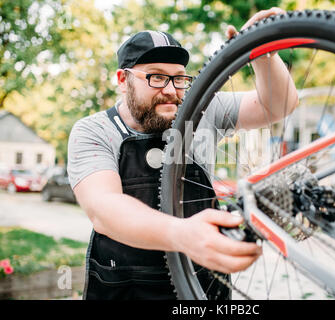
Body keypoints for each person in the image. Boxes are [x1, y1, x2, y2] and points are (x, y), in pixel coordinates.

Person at [68, 7, 299, 300]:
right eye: (156, 77)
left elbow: (279, 105)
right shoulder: (94, 131)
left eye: (178, 78)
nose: (170, 90)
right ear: (123, 80)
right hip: (124, 288)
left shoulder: (203, 109)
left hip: (201, 290)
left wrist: (264, 56)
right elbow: (104, 208)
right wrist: (182, 235)